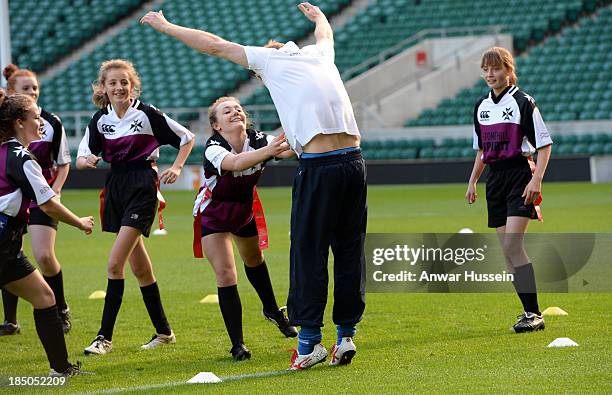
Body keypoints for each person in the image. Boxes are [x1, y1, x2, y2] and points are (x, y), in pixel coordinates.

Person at [142, 2, 366, 369]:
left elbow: (213, 44)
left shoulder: (271, 61)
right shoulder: (320, 56)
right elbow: (326, 33)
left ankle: (309, 342)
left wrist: (167, 27)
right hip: (354, 162)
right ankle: (346, 335)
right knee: (348, 249)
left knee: (309, 252)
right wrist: (320, 17)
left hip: (320, 166)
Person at [77, 59, 195, 355]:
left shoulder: (146, 113)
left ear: (133, 86)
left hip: (142, 184)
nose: (119, 87)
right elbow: (81, 157)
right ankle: (165, 332)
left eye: (124, 82)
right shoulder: (99, 120)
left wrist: (178, 167)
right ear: (103, 87)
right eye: (113, 83)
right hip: (115, 186)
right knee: (140, 268)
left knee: (115, 264)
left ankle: (104, 337)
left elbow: (186, 137)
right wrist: (87, 161)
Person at [193, 96, 296, 360]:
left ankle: (272, 310)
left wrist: (299, 142)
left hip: (244, 208)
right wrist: (272, 150)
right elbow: (237, 163)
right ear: (217, 125)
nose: (235, 112)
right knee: (227, 274)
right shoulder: (214, 146)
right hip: (214, 213)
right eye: (226, 111)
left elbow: (287, 150)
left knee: (254, 258)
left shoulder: (258, 138)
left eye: (237, 108)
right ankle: (237, 344)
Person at [0, 90, 94, 375]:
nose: (41, 123)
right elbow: (50, 205)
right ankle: (61, 370)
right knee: (45, 298)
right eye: (36, 117)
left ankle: (61, 368)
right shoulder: (22, 158)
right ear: (19, 122)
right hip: (3, 248)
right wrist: (79, 222)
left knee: (44, 296)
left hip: (9, 247)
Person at [466, 46, 552, 333]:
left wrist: (536, 180)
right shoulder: (481, 106)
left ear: (508, 69)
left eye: (496, 68)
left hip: (519, 176)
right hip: (495, 180)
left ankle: (534, 313)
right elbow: (481, 151)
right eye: (486, 69)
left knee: (513, 245)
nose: (491, 74)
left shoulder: (523, 102)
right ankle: (528, 312)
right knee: (506, 253)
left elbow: (544, 144)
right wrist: (473, 180)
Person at [0, 64, 73, 337]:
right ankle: (11, 321)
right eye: (26, 89)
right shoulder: (7, 128)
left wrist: (54, 191)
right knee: (11, 253)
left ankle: (60, 308)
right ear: (11, 94)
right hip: (13, 198)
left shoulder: (49, 121)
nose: (33, 92)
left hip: (42, 195)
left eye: (35, 87)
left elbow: (63, 163)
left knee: (43, 255)